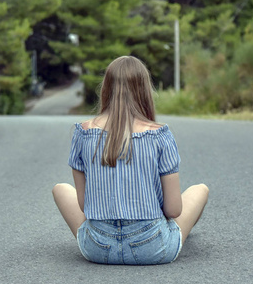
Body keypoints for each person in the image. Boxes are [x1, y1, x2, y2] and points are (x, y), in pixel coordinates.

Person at [52, 56, 209, 265]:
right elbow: (173, 210)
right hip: (152, 247)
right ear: (144, 90)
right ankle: (172, 236)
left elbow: (84, 204)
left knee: (60, 188)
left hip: (98, 249)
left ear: (106, 88)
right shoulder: (160, 135)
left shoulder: (83, 133)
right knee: (200, 190)